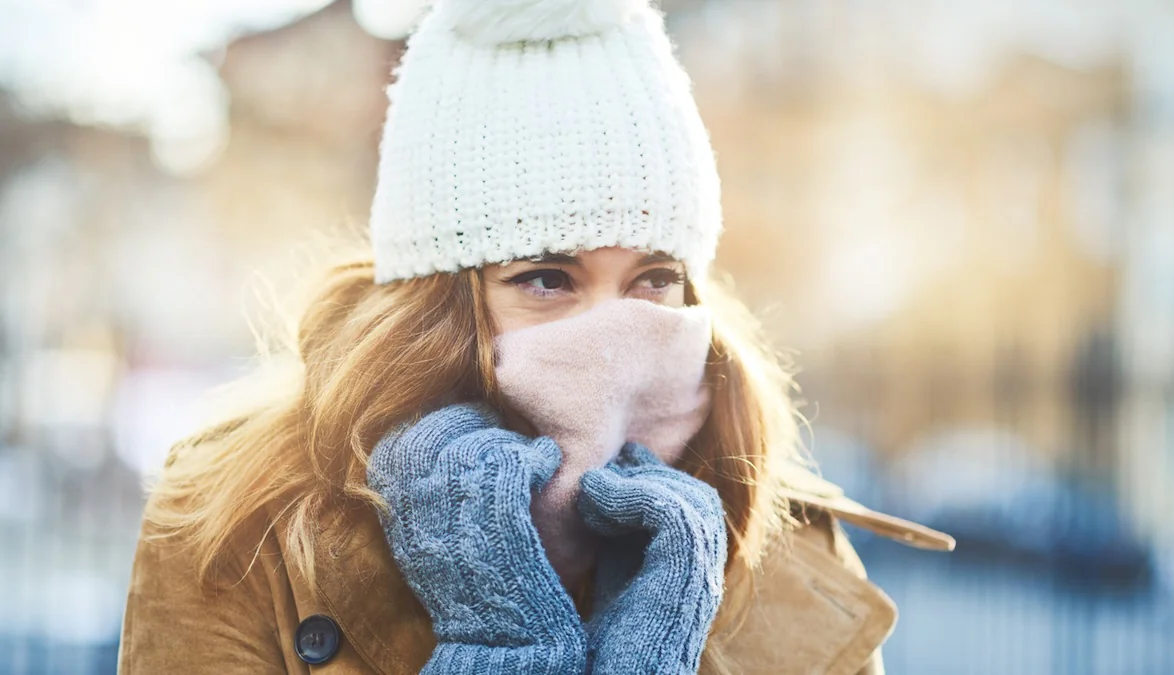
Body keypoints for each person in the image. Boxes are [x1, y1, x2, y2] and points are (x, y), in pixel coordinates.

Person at [117, 0, 954, 673]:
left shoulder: (795, 567)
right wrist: (503, 652)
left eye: (653, 279)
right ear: (435, 304)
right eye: (547, 278)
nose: (613, 336)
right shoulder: (241, 527)